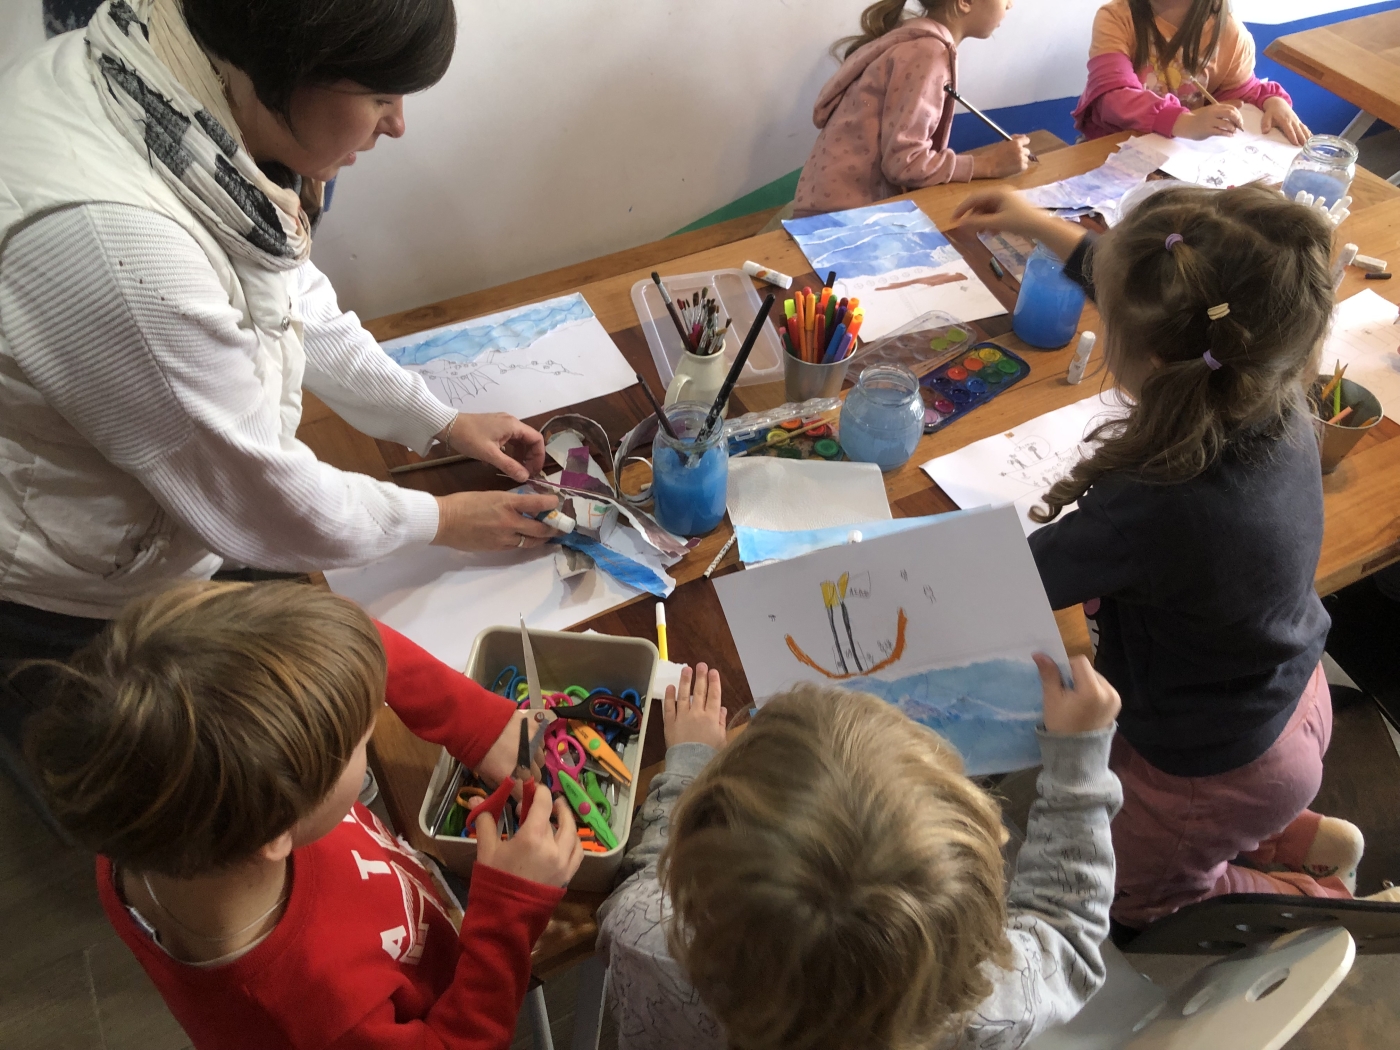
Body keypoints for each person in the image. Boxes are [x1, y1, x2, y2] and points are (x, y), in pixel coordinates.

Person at [0, 0, 562, 663]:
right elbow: (262, 501)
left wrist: (439, 419)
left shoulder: (174, 91)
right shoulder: (117, 245)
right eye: (380, 97)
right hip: (75, 591)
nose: (397, 125)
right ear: (287, 66)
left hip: (176, 511)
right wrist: (445, 519)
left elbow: (285, 293)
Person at [953, 183, 1363, 928]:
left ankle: (1312, 906)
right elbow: (1156, 293)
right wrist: (1032, 222)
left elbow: (1008, 581)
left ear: (1145, 354)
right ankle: (1290, 837)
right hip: (1288, 700)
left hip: (1207, 766)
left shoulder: (1158, 502)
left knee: (1142, 898)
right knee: (1211, 819)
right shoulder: (1273, 393)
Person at [25, 580, 582, 1049]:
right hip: (455, 990)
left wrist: (481, 725)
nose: (373, 724)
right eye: (362, 739)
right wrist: (508, 913)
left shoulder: (150, 804)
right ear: (277, 831)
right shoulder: (312, 1015)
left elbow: (348, 644)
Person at [597, 658, 1124, 1050]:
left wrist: (687, 762)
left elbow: (639, 890)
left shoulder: (647, 942)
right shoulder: (992, 1007)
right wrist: (1077, 762)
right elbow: (1065, 931)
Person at [791, 0, 1031, 219]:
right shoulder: (928, 53)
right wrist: (990, 165)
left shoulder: (915, 38)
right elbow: (905, 164)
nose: (1010, 5)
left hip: (827, 203)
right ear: (965, 2)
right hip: (840, 218)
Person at [1074, 0, 1310, 144]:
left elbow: (1240, 93)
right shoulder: (1116, 17)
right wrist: (1184, 122)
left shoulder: (1231, 33)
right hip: (1112, 146)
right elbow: (1112, 97)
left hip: (1178, 155)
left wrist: (1272, 101)